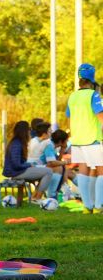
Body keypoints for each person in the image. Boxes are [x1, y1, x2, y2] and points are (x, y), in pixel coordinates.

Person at [65, 63, 103, 214]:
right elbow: (100, 115)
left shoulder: (72, 96)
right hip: (92, 138)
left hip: (77, 139)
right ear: (92, 79)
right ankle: (99, 206)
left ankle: (87, 206)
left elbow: (68, 117)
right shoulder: (93, 95)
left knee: (83, 172)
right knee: (101, 172)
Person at [2, 120, 52, 202]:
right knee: (48, 172)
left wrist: (30, 165)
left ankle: (35, 197)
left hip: (18, 171)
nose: (30, 131)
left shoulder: (18, 142)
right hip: (16, 172)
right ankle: (37, 198)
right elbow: (16, 164)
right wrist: (29, 165)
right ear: (24, 131)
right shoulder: (16, 144)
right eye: (29, 129)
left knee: (45, 171)